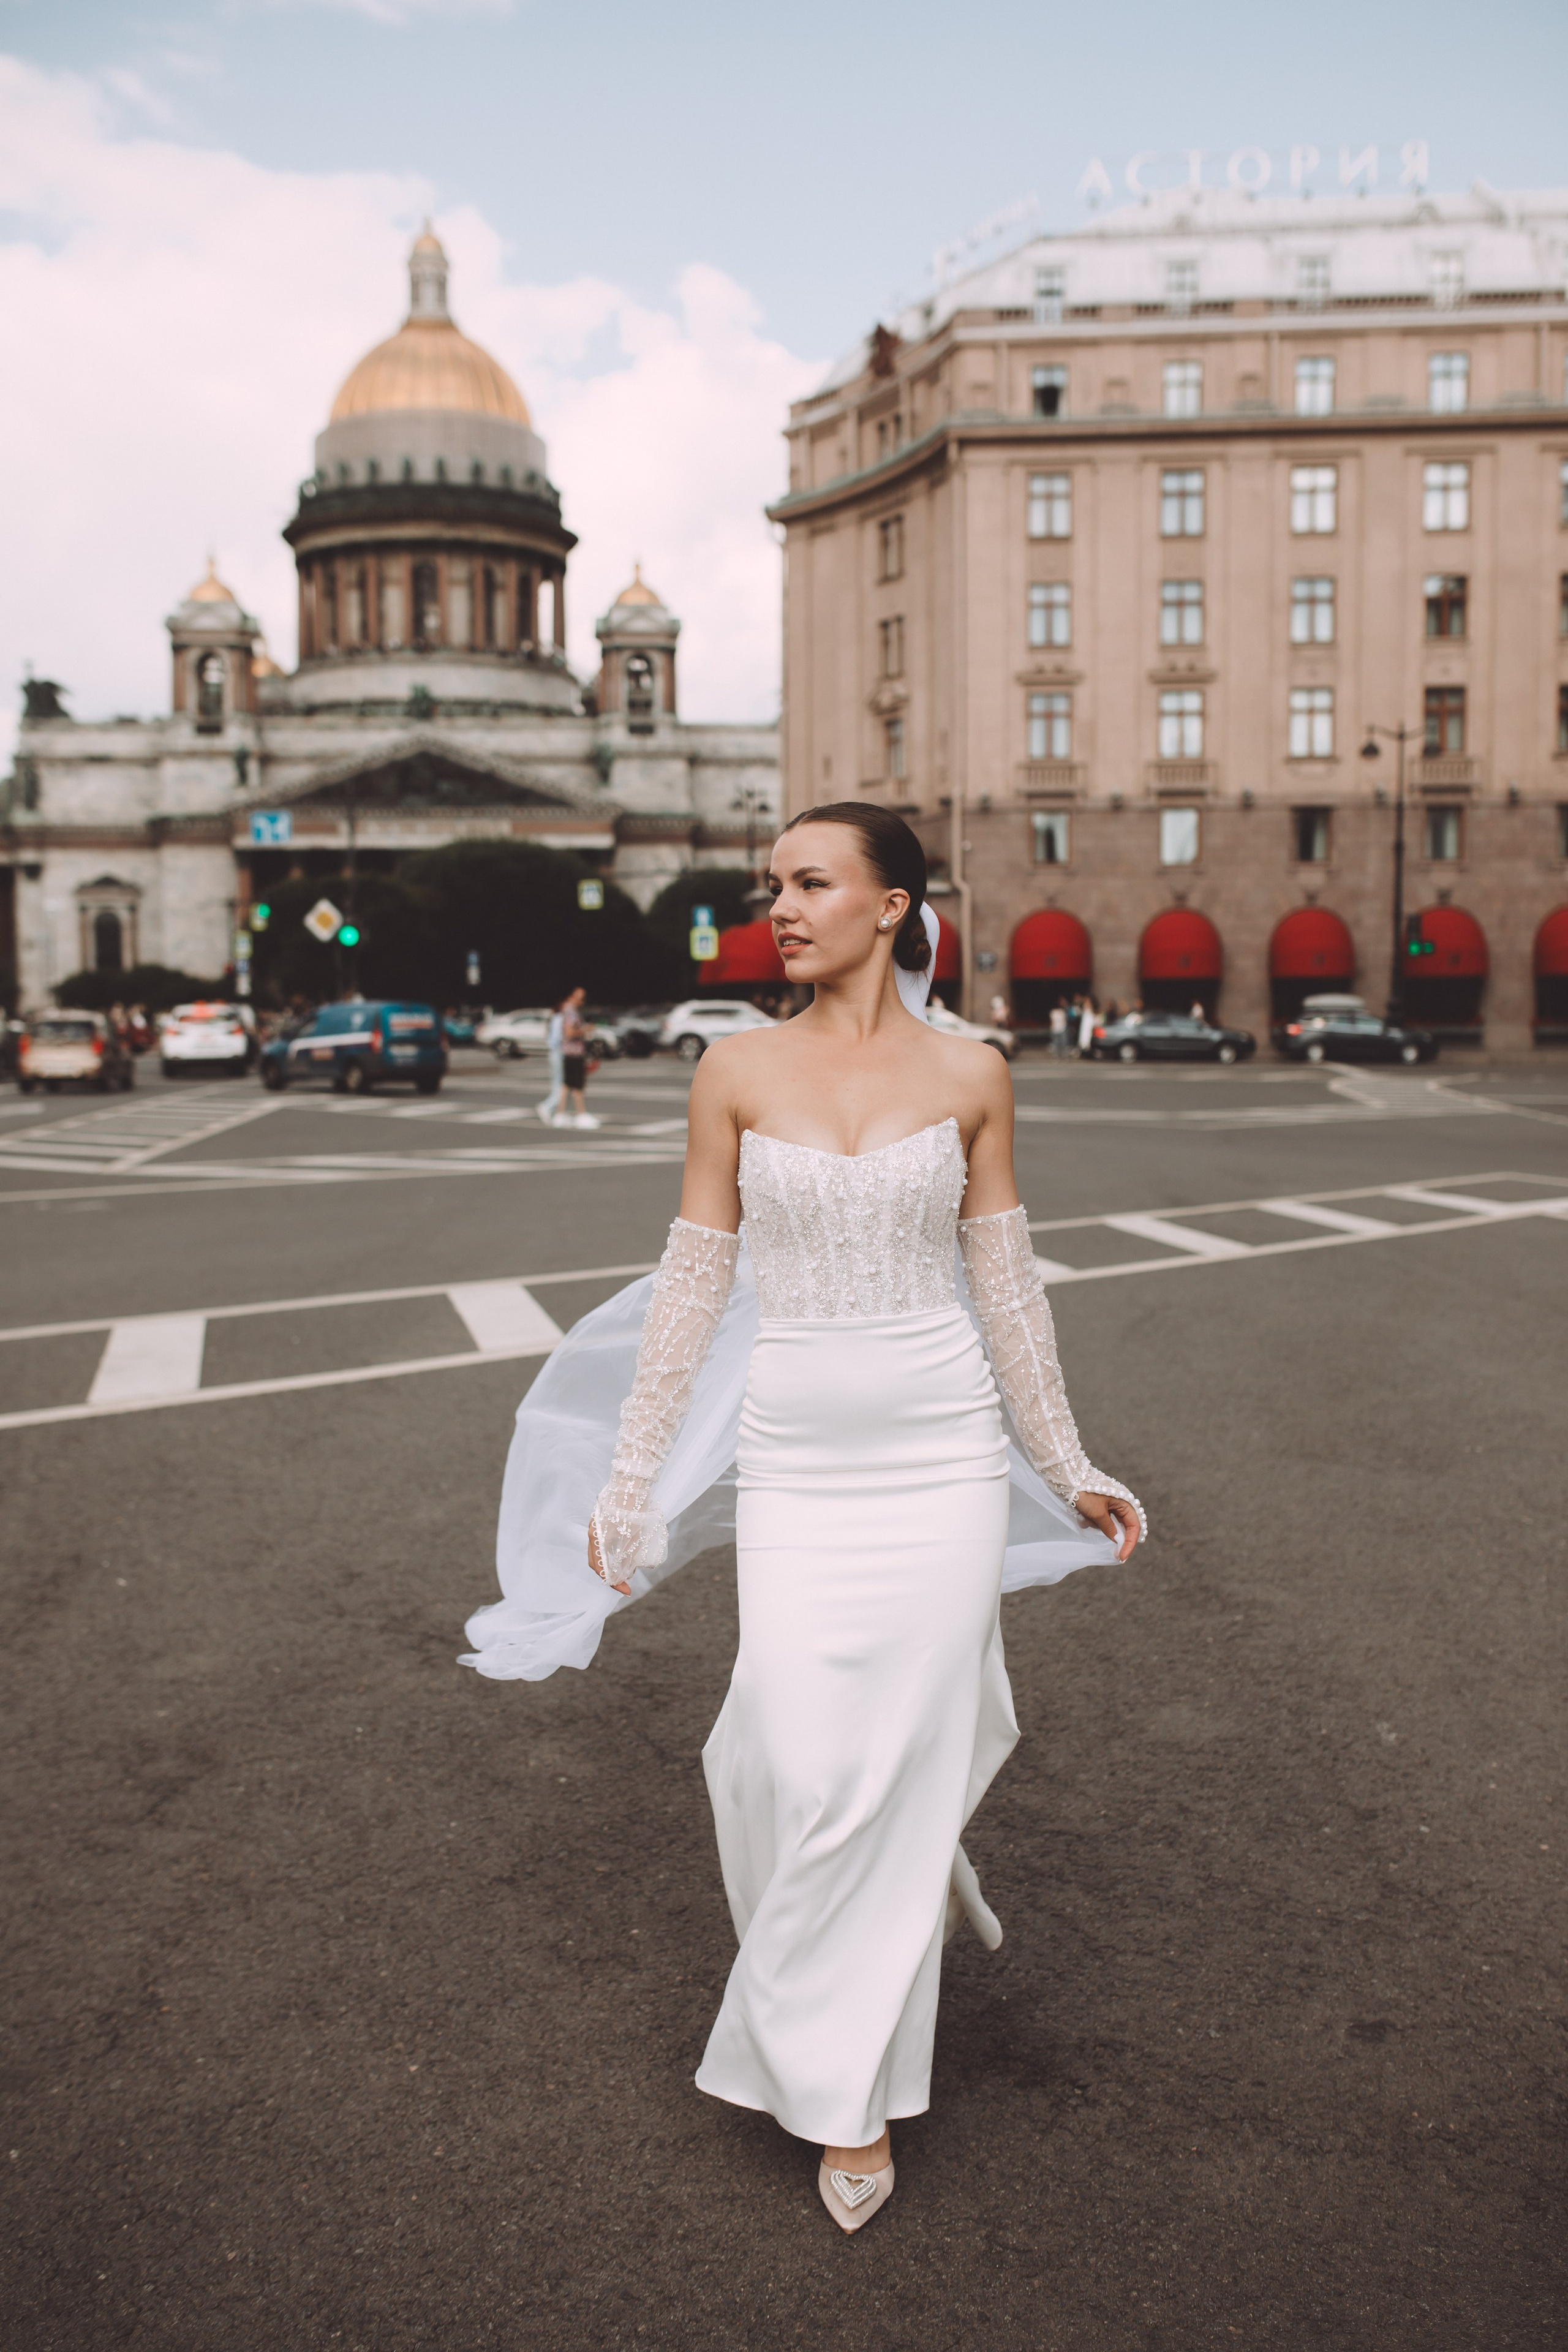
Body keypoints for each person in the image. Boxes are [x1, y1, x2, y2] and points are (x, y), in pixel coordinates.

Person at [462, 803, 1143, 2234]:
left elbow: (1007, 1291)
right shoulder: (731, 1069)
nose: (779, 906)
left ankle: (849, 2094)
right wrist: (631, 1484)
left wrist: (1066, 1461)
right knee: (780, 1747)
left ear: (892, 907)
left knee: (884, 1766)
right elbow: (695, 1290)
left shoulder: (974, 1073)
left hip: (940, 1452)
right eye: (771, 885)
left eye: (810, 883)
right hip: (794, 1458)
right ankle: (909, 1874)